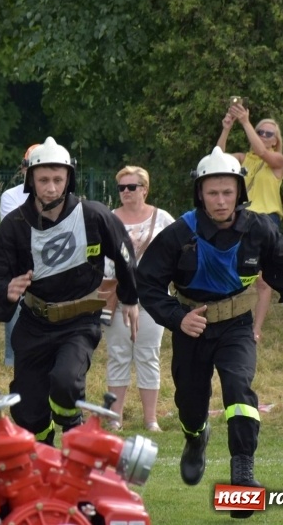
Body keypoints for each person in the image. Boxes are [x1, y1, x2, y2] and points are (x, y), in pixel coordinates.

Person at [136, 146, 283, 519]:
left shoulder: (259, 229)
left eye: (227, 192)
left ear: (239, 192)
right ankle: (195, 437)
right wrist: (177, 317)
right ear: (200, 193)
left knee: (238, 390)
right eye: (212, 192)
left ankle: (242, 478)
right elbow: (146, 283)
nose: (220, 200)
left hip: (237, 326)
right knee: (190, 403)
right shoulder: (179, 233)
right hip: (191, 328)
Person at [0, 137, 139, 446]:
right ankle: (44, 447)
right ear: (30, 180)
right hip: (34, 324)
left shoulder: (93, 215)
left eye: (57, 179)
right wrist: (6, 291)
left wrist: (131, 297)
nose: (51, 188)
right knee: (27, 410)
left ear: (69, 179)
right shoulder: (14, 225)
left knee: (65, 382)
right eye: (43, 180)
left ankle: (71, 422)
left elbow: (124, 254)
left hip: (80, 323)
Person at [100, 166, 174, 432]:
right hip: (117, 298)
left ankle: (151, 419)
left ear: (145, 189)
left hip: (152, 299)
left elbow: (179, 251)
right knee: (118, 356)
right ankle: (114, 418)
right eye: (121, 188)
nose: (126, 192)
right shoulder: (108, 218)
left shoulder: (163, 218)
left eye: (132, 187)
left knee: (149, 356)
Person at [217, 103, 283, 341]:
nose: (263, 136)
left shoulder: (277, 159)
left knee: (263, 280)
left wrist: (246, 122)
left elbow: (264, 153)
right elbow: (217, 159)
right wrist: (227, 128)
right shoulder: (243, 158)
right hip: (241, 218)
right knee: (231, 271)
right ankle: (228, 320)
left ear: (275, 141)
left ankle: (256, 330)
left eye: (268, 133)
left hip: (266, 221)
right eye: (260, 132)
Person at [0, 144, 39, 367]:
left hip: (50, 261)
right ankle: (12, 358)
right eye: (27, 165)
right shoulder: (10, 195)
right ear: (23, 168)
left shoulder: (64, 195)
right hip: (19, 261)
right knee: (15, 308)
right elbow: (14, 230)